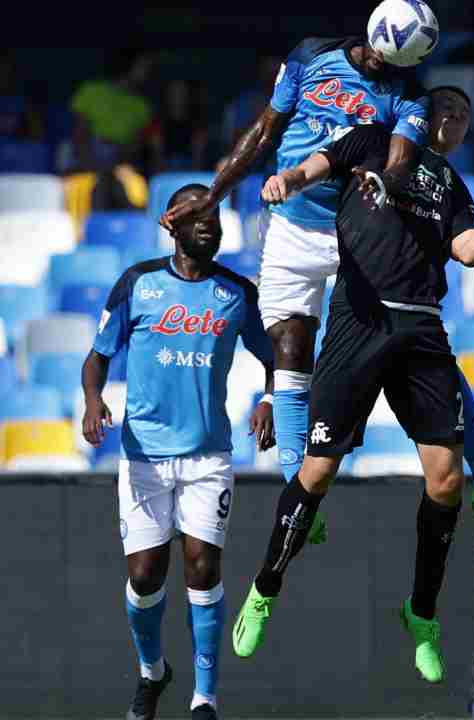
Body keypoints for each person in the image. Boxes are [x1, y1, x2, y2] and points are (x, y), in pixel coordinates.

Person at [232, 86, 474, 683]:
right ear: (421, 114)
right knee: (317, 473)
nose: (455, 121)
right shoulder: (370, 143)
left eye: (465, 115)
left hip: (421, 328)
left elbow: (467, 251)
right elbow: (317, 165)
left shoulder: (452, 188)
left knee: (445, 481)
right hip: (358, 321)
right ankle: (263, 590)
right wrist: (287, 180)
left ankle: (421, 616)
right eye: (446, 109)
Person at [159, 31, 427, 530]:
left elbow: (400, 159)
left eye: (387, 60)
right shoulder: (311, 56)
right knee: (290, 345)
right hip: (290, 223)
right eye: (374, 50)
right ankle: (295, 493)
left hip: (356, 229)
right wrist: (213, 195)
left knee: (409, 340)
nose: (375, 61)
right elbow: (265, 131)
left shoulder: (408, 95)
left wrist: (384, 190)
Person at [82, 184, 275, 720]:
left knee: (201, 566)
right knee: (145, 578)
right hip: (143, 456)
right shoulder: (138, 284)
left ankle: (205, 698)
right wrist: (94, 400)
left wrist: (268, 399)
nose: (209, 224)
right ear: (172, 223)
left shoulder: (236, 293)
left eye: (214, 215)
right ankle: (153, 672)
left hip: (208, 456)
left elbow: (279, 357)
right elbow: (96, 358)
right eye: (197, 215)